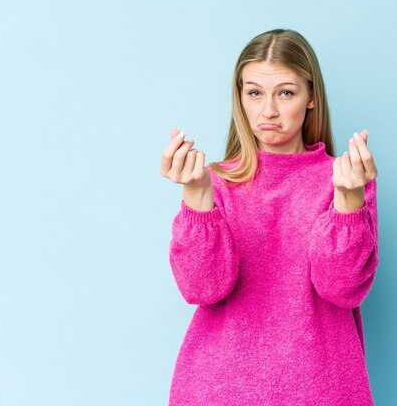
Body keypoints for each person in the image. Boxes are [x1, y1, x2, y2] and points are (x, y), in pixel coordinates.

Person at [160, 28, 379, 405]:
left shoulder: (345, 179)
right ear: (240, 97)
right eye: (255, 92)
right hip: (218, 389)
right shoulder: (215, 182)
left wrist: (347, 200)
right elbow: (202, 289)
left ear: (311, 97)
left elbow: (341, 290)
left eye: (286, 93)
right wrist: (197, 196)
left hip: (321, 389)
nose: (269, 111)